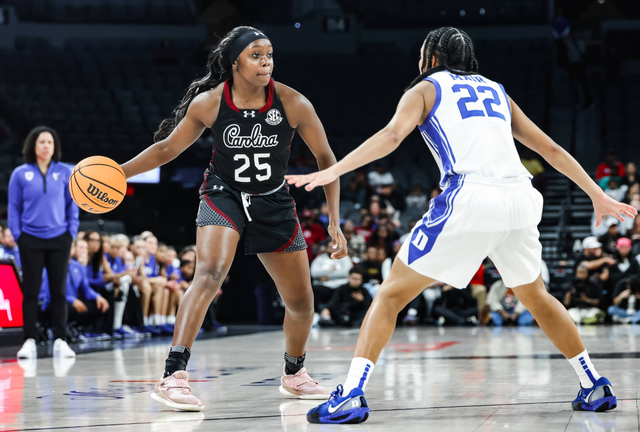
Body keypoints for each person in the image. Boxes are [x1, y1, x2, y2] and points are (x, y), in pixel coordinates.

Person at [287, 27, 635, 423]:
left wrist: (334, 169)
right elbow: (549, 148)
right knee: (536, 295)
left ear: (431, 58)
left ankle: (349, 394)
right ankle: (593, 383)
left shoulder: (424, 88)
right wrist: (597, 194)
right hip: (521, 196)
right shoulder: (497, 90)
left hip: (471, 195)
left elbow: (392, 135)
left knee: (390, 296)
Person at [119, 26, 347, 411]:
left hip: (273, 200)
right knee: (208, 273)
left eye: (270, 55)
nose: (266, 62)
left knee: (302, 302)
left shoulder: (292, 102)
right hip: (223, 194)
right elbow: (166, 149)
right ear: (235, 62)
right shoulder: (209, 103)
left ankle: (294, 374)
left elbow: (328, 161)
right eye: (257, 55)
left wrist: (334, 221)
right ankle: (174, 375)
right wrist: (119, 172)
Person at [10, 126, 79, 360]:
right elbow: (14, 207)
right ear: (33, 146)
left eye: (50, 142)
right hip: (30, 238)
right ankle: (29, 340)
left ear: (55, 147)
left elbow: (73, 206)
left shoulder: (66, 172)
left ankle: (60, 339)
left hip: (60, 238)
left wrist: (70, 232)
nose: (46, 146)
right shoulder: (20, 173)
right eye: (41, 142)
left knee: (58, 291)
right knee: (30, 291)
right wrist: (18, 235)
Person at [39, 238, 110, 335]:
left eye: (71, 246)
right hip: (52, 304)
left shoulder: (78, 266)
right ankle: (57, 331)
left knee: (100, 306)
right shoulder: (51, 266)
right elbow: (50, 293)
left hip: (72, 303)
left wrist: (97, 296)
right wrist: (72, 300)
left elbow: (85, 288)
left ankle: (83, 330)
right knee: (66, 307)